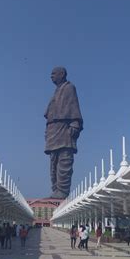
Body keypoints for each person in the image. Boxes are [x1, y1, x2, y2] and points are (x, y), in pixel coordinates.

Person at [45, 67, 83, 199]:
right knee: (53, 161)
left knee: (64, 159)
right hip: (53, 130)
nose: (51, 76)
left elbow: (74, 107)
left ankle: (62, 190)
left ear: (62, 74)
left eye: (53, 73)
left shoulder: (69, 88)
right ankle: (55, 189)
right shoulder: (56, 91)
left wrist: (74, 123)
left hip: (64, 128)